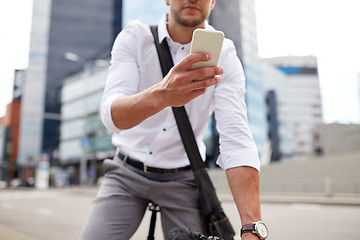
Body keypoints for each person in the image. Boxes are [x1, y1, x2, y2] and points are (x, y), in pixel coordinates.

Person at [80, 0, 266, 239]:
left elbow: (237, 140)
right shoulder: (134, 37)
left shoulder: (225, 55)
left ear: (213, 2)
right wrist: (163, 94)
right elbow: (110, 115)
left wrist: (252, 227)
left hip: (183, 178)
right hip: (126, 172)